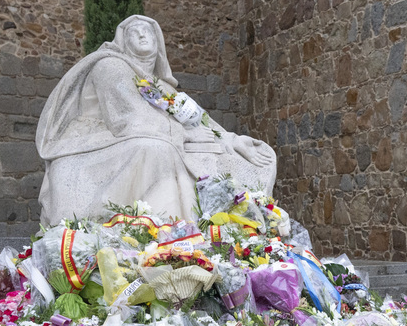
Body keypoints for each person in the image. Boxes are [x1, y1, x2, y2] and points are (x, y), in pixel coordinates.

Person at [35, 15, 277, 224]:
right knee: (159, 148)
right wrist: (185, 135)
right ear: (123, 41)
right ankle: (167, 231)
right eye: (134, 32)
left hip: (144, 136)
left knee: (233, 159)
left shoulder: (159, 85)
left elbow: (196, 119)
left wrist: (231, 140)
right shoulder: (110, 66)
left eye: (147, 31)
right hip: (98, 142)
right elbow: (128, 117)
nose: (142, 36)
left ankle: (229, 229)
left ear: (158, 41)